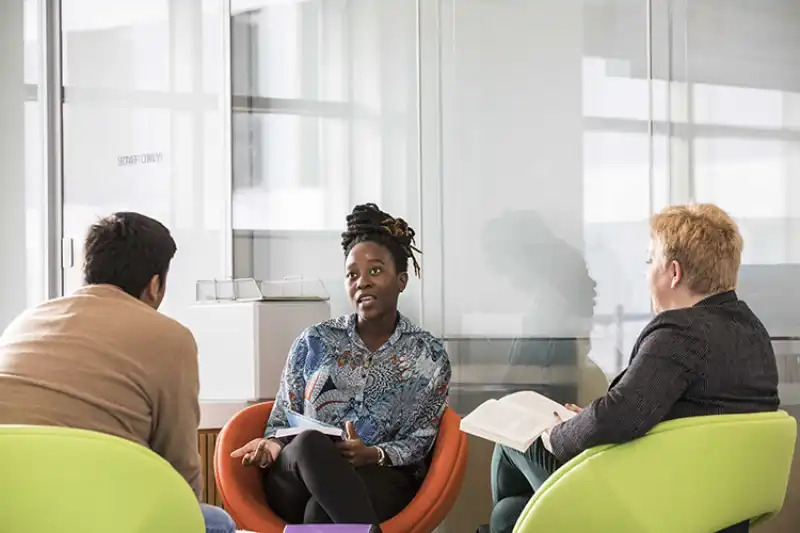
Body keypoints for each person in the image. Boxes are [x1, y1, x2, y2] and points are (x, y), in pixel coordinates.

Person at [486, 204, 779, 533]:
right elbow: (675, 411)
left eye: (649, 261)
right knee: (510, 515)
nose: (645, 272)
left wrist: (557, 435)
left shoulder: (679, 332)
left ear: (674, 273)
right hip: (718, 506)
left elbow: (620, 416)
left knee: (513, 442)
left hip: (656, 503)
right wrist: (592, 418)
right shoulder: (752, 331)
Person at [0, 212, 235, 533]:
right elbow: (180, 467)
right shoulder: (168, 337)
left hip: (13, 507)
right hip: (103, 507)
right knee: (216, 522)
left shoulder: (25, 322)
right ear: (156, 284)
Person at [231, 203, 451, 529]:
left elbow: (420, 440)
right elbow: (280, 419)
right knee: (308, 443)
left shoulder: (428, 354)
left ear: (402, 280)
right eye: (352, 274)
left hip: (379, 476)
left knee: (319, 515)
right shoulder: (315, 340)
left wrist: (373, 454)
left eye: (375, 271)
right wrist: (272, 444)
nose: (362, 281)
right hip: (296, 475)